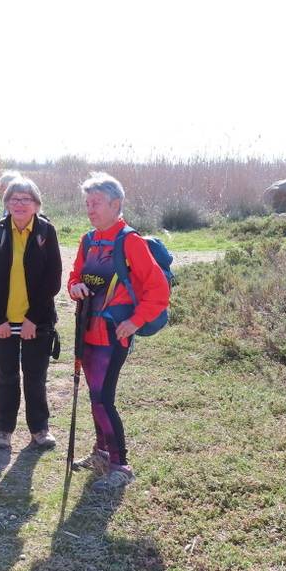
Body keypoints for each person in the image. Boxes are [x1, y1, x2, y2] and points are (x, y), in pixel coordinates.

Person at [67, 172, 170, 490]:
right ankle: (100, 454)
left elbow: (158, 288)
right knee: (94, 398)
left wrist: (136, 321)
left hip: (113, 335)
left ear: (116, 203)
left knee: (103, 399)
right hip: (87, 330)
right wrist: (76, 287)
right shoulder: (89, 240)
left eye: (96, 203)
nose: (90, 209)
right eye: (87, 203)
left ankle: (120, 464)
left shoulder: (130, 241)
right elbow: (73, 277)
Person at [0, 173, 62, 450]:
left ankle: (39, 428)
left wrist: (32, 320)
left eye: (26, 199)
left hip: (36, 323)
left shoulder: (45, 232)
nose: (20, 204)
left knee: (35, 376)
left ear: (36, 204)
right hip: (4, 322)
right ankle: (3, 430)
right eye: (14, 199)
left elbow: (53, 279)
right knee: (6, 375)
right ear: (7, 203)